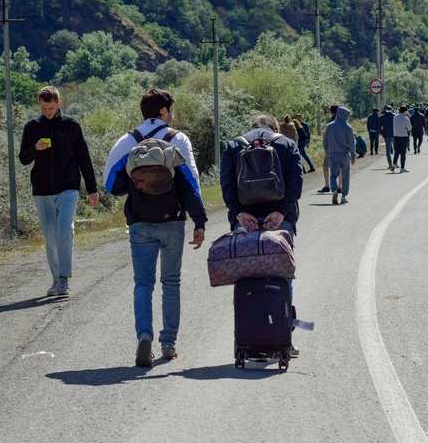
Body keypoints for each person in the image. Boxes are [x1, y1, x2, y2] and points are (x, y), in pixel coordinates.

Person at [103, 88, 207, 367]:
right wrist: (200, 221)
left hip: (140, 224)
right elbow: (191, 183)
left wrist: (136, 181)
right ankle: (168, 345)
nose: (172, 115)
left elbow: (110, 185)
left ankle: (144, 336)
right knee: (171, 283)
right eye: (171, 110)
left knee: (143, 284)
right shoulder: (177, 139)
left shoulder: (128, 141)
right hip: (172, 221)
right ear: (163, 111)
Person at [220, 114, 304, 356]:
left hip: (244, 222)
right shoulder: (287, 144)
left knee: (247, 277)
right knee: (282, 274)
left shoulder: (234, 145)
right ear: (275, 128)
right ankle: (282, 336)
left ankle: (250, 336)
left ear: (252, 128)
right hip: (280, 222)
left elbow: (226, 185)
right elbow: (296, 183)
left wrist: (239, 213)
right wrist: (281, 212)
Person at [19, 86, 100, 297]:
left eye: (51, 108)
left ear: (59, 104)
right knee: (50, 237)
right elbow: (23, 159)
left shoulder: (71, 125)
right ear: (39, 105)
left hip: (68, 187)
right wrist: (34, 149)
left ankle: (64, 279)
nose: (47, 112)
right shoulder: (31, 127)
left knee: (64, 231)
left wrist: (92, 189)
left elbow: (84, 158)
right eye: (44, 108)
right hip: (42, 190)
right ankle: (55, 278)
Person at [323, 107, 357, 204]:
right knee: (345, 175)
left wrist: (327, 151)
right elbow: (351, 143)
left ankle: (334, 190)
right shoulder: (348, 127)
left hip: (333, 154)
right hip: (345, 155)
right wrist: (353, 156)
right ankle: (343, 196)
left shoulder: (329, 126)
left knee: (333, 175)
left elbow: (325, 140)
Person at [320, 105, 339, 193]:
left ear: (331, 111)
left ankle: (327, 185)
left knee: (326, 166)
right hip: (342, 148)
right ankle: (340, 185)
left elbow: (326, 136)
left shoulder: (330, 122)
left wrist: (326, 149)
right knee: (340, 167)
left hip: (331, 148)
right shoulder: (343, 120)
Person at [392, 105, 411, 172]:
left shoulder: (395, 117)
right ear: (405, 111)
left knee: (396, 151)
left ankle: (394, 164)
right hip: (403, 136)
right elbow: (409, 128)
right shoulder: (406, 119)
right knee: (403, 152)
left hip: (396, 136)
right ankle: (402, 167)